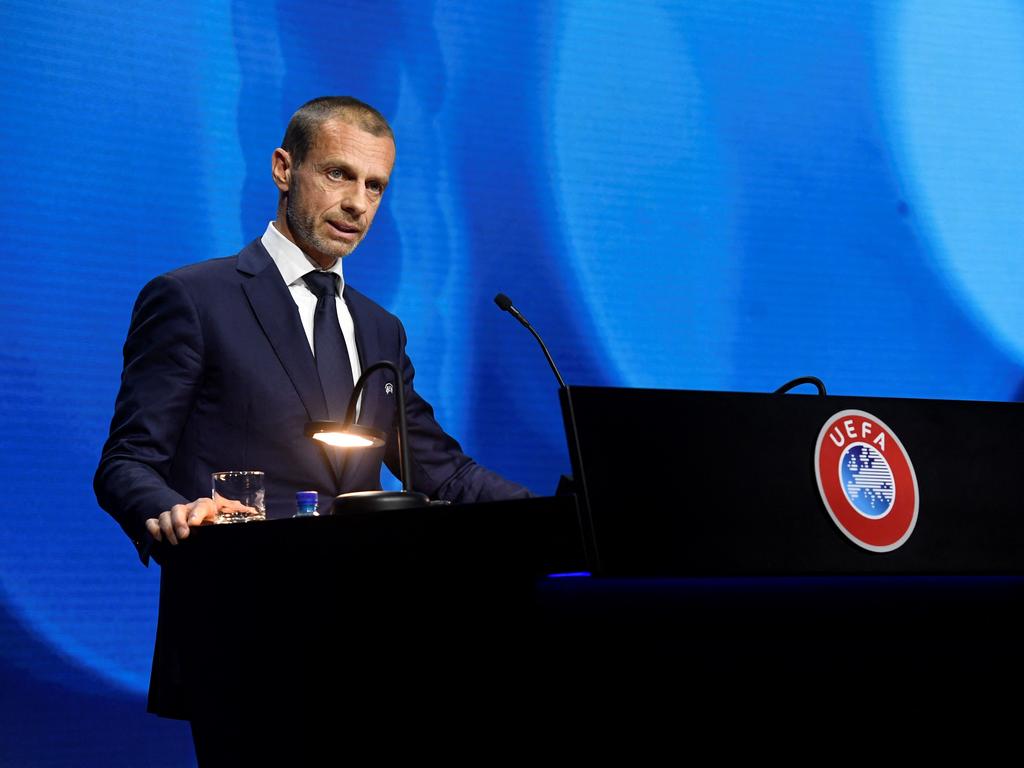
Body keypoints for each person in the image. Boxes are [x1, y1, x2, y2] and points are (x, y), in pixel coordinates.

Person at [94, 95, 531, 562]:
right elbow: (127, 462)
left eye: (375, 186)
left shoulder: (382, 330)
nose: (357, 204)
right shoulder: (194, 299)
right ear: (284, 169)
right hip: (238, 598)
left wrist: (561, 512)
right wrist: (175, 512)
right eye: (338, 174)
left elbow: (445, 474)